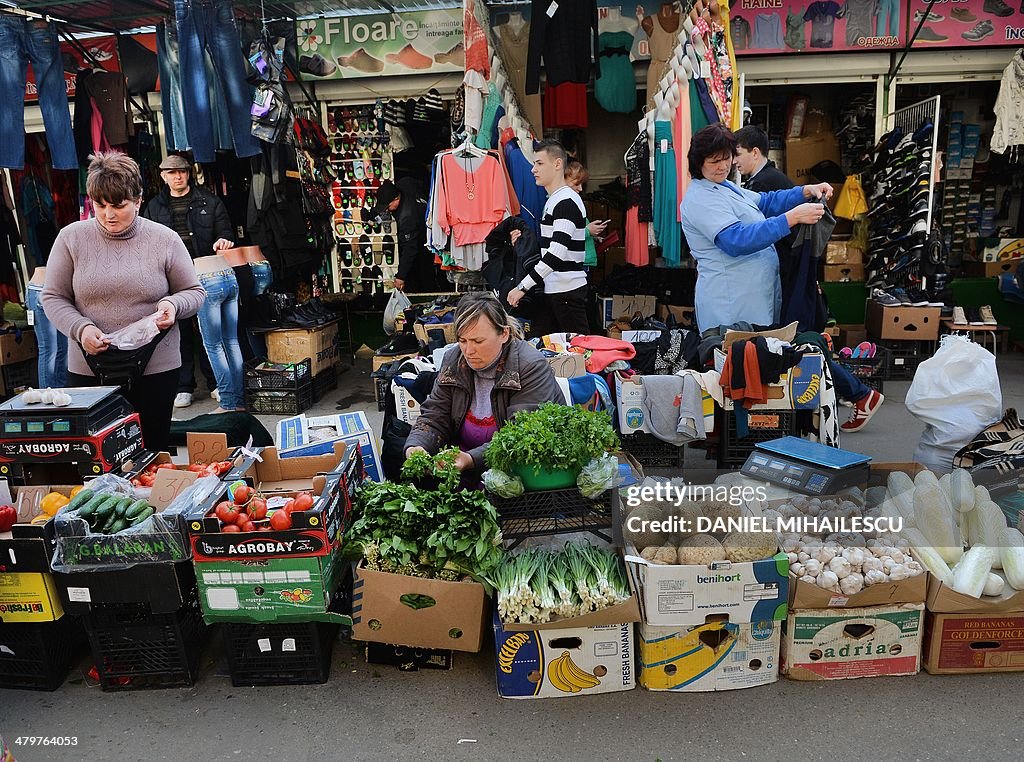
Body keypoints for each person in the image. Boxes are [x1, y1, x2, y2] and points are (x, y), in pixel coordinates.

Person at [681, 124, 882, 432]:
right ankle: (744, 437)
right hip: (732, 302)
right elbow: (736, 240)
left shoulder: (726, 187)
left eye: (726, 157)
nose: (722, 165)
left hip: (754, 297)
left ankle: (760, 434)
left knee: (761, 367)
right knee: (742, 373)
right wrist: (791, 218)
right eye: (714, 161)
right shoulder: (699, 198)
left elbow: (764, 202)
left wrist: (805, 191)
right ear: (698, 163)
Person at [42, 152, 206, 451]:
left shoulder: (164, 239)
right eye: (100, 205)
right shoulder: (71, 238)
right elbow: (53, 296)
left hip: (156, 365)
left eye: (119, 205)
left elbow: (194, 292)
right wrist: (81, 329)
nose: (108, 214)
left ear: (138, 200)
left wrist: (172, 305)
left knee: (152, 453)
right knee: (96, 458)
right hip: (88, 367)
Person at [404, 292, 562, 479]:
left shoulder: (530, 367)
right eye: (462, 341)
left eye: (478, 341)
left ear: (504, 333)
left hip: (518, 475)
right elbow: (435, 415)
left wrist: (470, 459)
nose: (469, 351)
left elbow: (521, 437)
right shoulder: (454, 360)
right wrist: (417, 446)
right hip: (464, 466)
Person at [142, 153, 235, 409]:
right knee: (178, 332)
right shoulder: (154, 207)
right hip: (171, 278)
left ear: (189, 173)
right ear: (163, 176)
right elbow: (146, 241)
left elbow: (226, 231)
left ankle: (215, 382)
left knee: (209, 331)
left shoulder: (210, 201)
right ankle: (184, 386)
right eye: (172, 173)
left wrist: (224, 240)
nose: (178, 176)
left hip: (205, 273)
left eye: (182, 171)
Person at [507, 139, 590, 336]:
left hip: (567, 291)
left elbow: (556, 253)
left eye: (539, 163)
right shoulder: (556, 200)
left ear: (557, 164)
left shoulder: (565, 201)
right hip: (556, 290)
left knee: (580, 353)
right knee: (548, 350)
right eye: (534, 163)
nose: (533, 169)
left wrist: (523, 286)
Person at [367, 178, 434, 293]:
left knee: (424, 267)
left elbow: (410, 249)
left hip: (425, 235)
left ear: (396, 199)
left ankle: (428, 288)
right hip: (424, 209)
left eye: (388, 207)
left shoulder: (406, 218)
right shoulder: (405, 183)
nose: (387, 210)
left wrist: (400, 277)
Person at [564, 160, 608, 269]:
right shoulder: (562, 205)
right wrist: (588, 231)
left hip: (580, 261)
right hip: (575, 263)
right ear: (562, 180)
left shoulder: (573, 202)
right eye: (576, 184)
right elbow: (563, 236)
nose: (580, 189)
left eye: (582, 184)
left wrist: (594, 238)